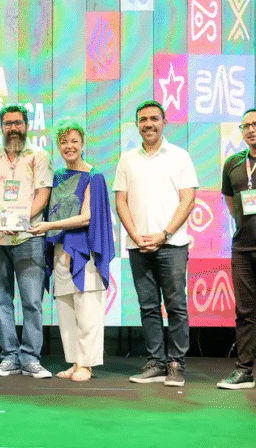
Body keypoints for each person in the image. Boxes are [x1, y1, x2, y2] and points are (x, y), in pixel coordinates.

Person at [113, 100, 198, 387]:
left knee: (176, 306)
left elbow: (188, 199)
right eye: (143, 120)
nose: (148, 124)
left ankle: (176, 364)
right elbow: (121, 201)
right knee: (148, 307)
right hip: (138, 245)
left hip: (172, 245)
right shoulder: (127, 159)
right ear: (137, 124)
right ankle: (156, 363)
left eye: (153, 119)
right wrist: (135, 235)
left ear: (164, 122)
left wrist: (165, 233)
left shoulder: (180, 156)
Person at [28, 118, 115, 382]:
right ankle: (76, 362)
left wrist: (49, 226)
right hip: (59, 251)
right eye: (64, 142)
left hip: (84, 251)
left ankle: (87, 364)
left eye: (74, 141)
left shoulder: (94, 176)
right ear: (58, 145)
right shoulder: (56, 177)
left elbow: (87, 217)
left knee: (87, 310)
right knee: (66, 311)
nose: (69, 146)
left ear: (83, 143)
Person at [0, 104, 54, 378]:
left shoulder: (40, 157)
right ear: (1, 127)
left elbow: (43, 195)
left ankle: (31, 358)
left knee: (32, 301)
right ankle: (9, 357)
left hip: (29, 237)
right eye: (8, 123)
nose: (13, 128)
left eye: (18, 123)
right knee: (0, 300)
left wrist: (19, 220)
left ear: (27, 126)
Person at [217, 108, 256, 389]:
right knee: (245, 312)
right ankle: (244, 370)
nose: (251, 130)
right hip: (243, 248)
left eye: (255, 124)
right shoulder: (233, 163)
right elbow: (232, 203)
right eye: (246, 126)